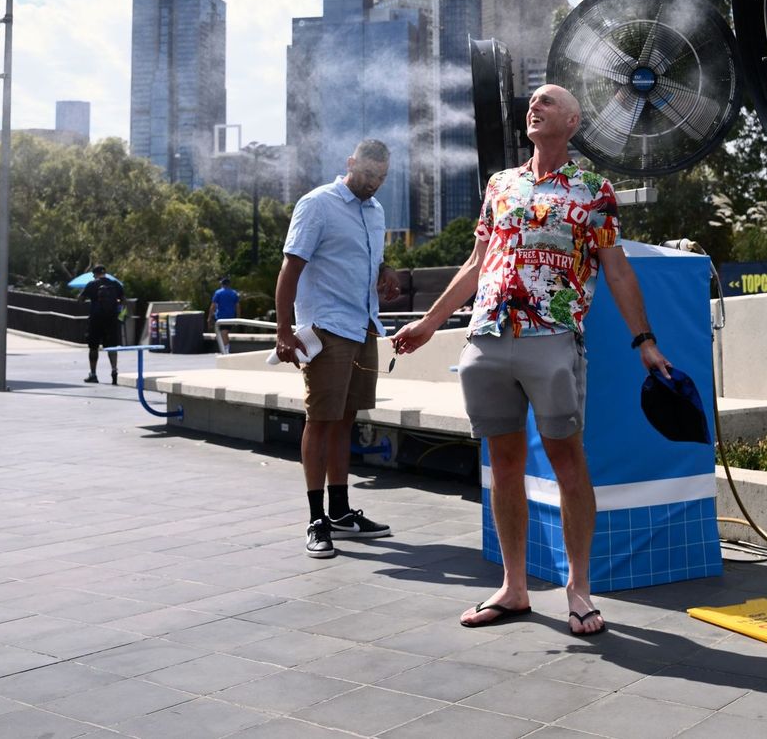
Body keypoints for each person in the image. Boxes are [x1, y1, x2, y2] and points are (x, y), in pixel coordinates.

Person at [393, 84, 671, 636]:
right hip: (488, 335)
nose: (534, 107)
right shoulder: (501, 184)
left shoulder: (594, 190)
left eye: (547, 102)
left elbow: (616, 270)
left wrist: (645, 339)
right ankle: (514, 586)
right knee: (504, 466)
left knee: (569, 463)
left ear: (571, 121)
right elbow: (477, 262)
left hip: (553, 336)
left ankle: (578, 589)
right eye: (532, 102)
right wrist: (429, 322)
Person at [276, 139, 402, 558]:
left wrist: (385, 271)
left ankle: (342, 513)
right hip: (326, 326)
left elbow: (365, 258)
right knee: (321, 419)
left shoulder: (376, 210)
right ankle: (316, 519)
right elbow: (290, 269)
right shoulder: (318, 204)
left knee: (345, 420)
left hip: (364, 325)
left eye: (381, 178)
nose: (373, 184)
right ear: (350, 163)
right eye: (367, 175)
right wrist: (284, 331)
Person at [78, 265, 125, 383]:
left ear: (95, 274)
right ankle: (114, 371)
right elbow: (124, 300)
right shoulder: (115, 284)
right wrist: (118, 311)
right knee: (112, 346)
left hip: (96, 319)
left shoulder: (91, 284)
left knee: (93, 347)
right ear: (105, 273)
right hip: (111, 320)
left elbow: (80, 300)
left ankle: (93, 374)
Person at [209, 276, 240, 354]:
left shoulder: (218, 293)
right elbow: (237, 306)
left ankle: (226, 350)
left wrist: (209, 317)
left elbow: (213, 305)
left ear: (222, 284)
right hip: (230, 316)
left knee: (223, 332)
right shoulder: (234, 293)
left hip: (221, 317)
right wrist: (238, 317)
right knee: (223, 332)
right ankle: (224, 349)